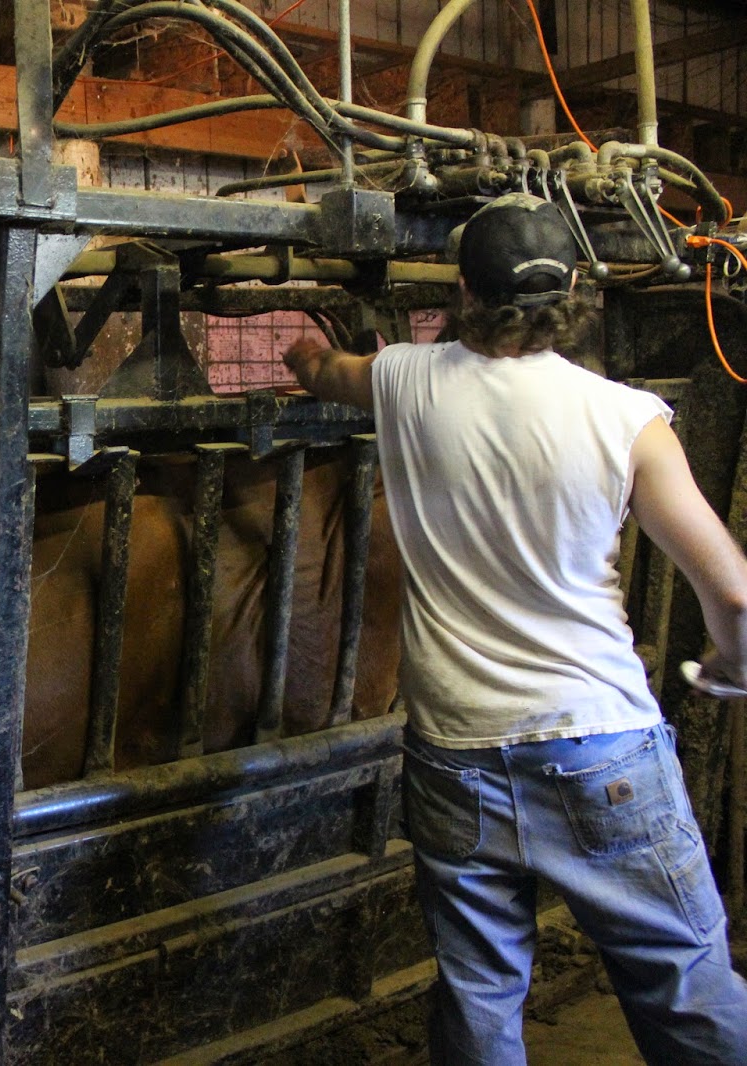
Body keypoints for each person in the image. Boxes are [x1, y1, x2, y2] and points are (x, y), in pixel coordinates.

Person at [283, 191, 747, 1065]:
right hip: (601, 746)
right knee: (684, 986)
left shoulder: (403, 379)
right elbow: (737, 597)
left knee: (479, 995)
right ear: (573, 287)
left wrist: (306, 351)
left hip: (456, 754)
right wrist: (730, 660)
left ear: (462, 289)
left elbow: (327, 370)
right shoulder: (628, 419)